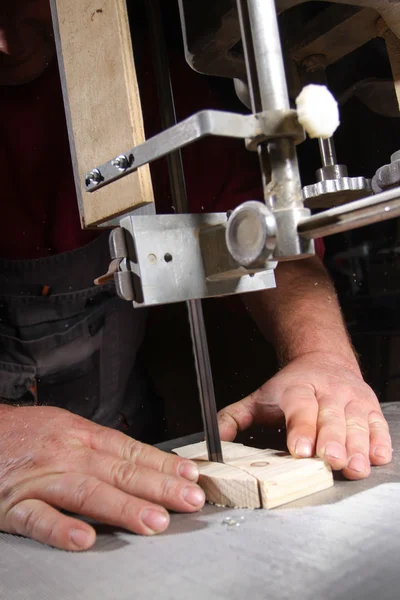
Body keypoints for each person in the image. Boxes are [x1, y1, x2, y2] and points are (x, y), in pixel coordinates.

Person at [0, 1, 392, 552]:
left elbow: (264, 240)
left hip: (121, 444)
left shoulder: (141, 94)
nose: (7, 43)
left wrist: (322, 356)